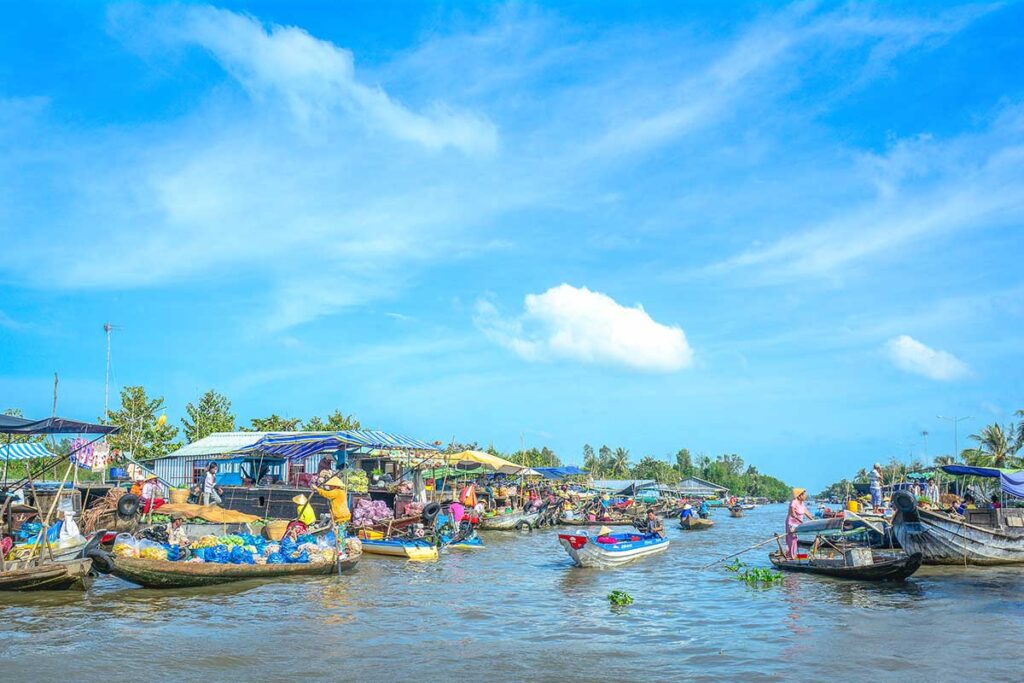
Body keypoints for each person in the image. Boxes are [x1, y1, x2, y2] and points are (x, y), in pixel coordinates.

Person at [786, 488, 815, 559]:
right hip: (791, 524)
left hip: (799, 524)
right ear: (799, 496)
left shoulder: (802, 504)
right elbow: (793, 514)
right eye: (804, 495)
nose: (805, 496)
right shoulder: (794, 502)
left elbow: (807, 513)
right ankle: (791, 556)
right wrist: (800, 520)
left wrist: (814, 521)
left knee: (795, 540)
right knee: (792, 540)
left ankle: (792, 555)